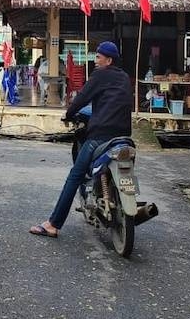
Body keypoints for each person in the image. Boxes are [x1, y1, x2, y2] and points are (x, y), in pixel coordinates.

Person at [29, 41, 132, 238]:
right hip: (124, 136)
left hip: (101, 135)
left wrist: (68, 114)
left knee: (75, 176)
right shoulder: (124, 77)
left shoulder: (101, 74)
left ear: (109, 60)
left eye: (99, 57)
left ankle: (53, 224)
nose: (96, 60)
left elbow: (82, 98)